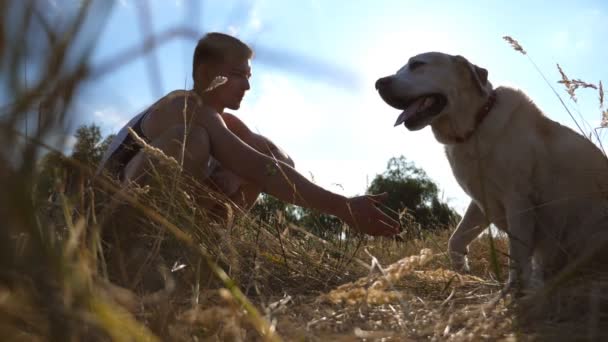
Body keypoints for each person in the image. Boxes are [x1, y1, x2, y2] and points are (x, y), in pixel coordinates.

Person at [97, 32, 399, 237]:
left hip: (167, 225)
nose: (247, 86)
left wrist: (235, 173)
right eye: (238, 75)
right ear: (204, 75)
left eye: (248, 76)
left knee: (255, 151)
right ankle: (134, 248)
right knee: (193, 141)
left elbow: (279, 162)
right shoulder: (184, 105)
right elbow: (255, 165)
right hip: (104, 222)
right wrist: (342, 206)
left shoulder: (224, 124)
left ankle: (203, 246)